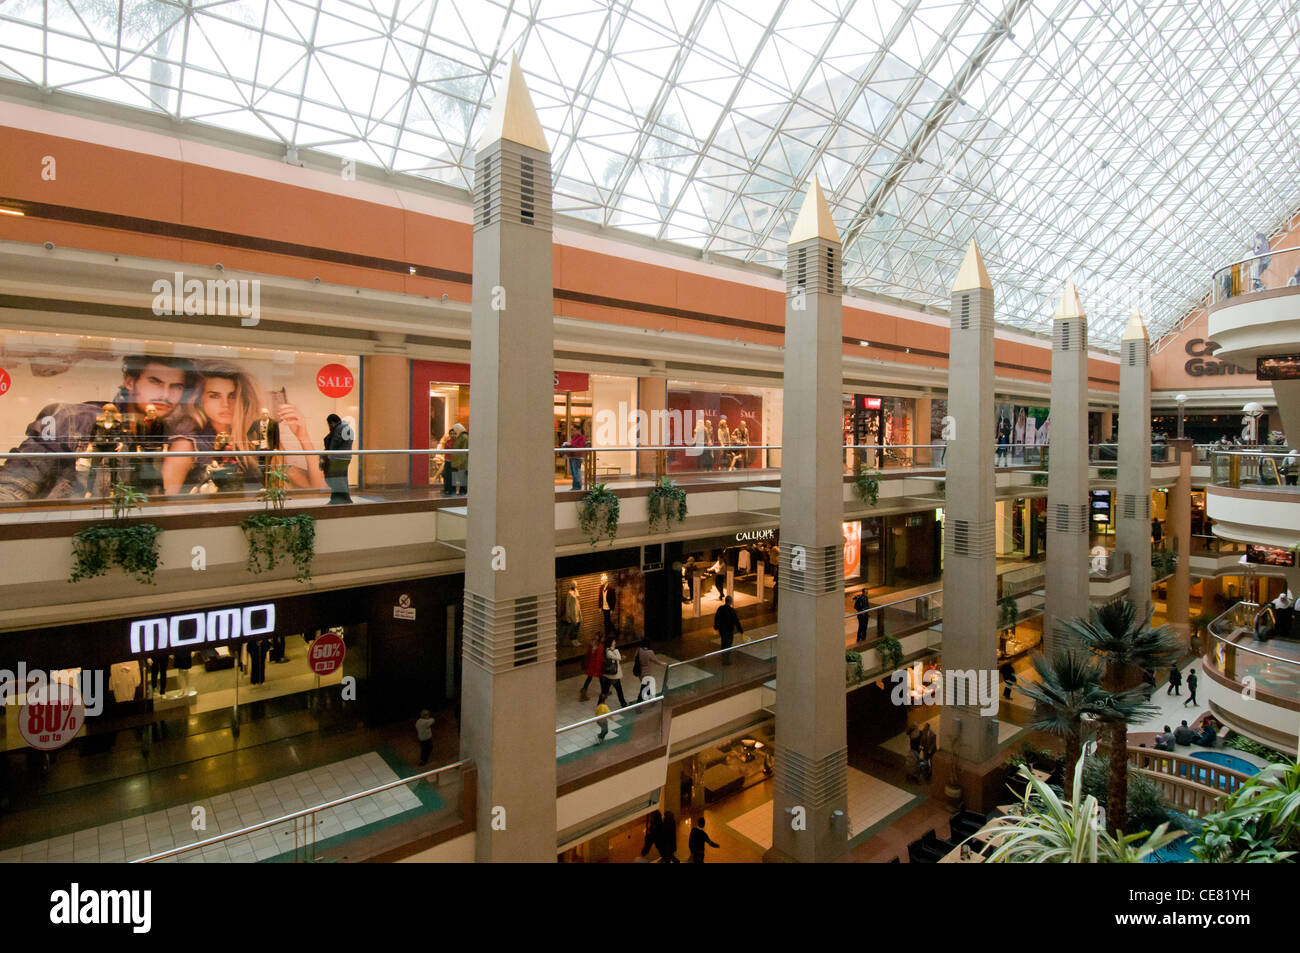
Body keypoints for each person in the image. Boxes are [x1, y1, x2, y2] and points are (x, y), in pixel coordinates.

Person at [0, 354, 196, 501]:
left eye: (176, 387)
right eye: (155, 382)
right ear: (129, 381)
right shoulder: (73, 419)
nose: (165, 395)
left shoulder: (170, 435)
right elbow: (13, 486)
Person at [164, 362, 326, 495]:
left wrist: (303, 436)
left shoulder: (256, 439)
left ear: (243, 399)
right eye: (214, 395)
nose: (225, 404)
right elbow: (167, 500)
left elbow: (320, 489)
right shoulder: (188, 444)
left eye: (233, 395)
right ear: (201, 399)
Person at [322, 413, 354, 504]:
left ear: (332, 422)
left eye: (329, 424)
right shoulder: (347, 428)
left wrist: (329, 453)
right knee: (341, 478)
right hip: (345, 457)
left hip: (338, 458)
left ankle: (341, 499)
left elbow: (335, 443)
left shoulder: (340, 429)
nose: (330, 426)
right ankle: (341, 499)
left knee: (337, 479)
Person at [714, 595, 743, 665]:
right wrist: (740, 630)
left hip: (722, 629)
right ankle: (726, 659)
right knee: (728, 643)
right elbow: (736, 621)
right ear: (730, 602)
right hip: (729, 630)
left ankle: (724, 657)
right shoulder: (732, 611)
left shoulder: (720, 608)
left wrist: (716, 626)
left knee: (723, 642)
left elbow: (716, 617)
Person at [600, 636, 628, 708]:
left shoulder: (610, 651)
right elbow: (618, 658)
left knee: (606, 691)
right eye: (614, 641)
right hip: (612, 675)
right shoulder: (609, 651)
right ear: (611, 643)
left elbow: (616, 659)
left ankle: (600, 704)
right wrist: (616, 650)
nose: (615, 642)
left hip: (610, 675)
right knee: (618, 690)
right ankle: (623, 703)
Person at [579, 634, 604, 702]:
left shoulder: (592, 644)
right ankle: (604, 692)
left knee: (590, 678)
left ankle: (584, 691)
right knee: (600, 678)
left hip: (591, 664)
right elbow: (598, 657)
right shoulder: (598, 646)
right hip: (595, 665)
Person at [561, 425, 586, 490]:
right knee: (573, 473)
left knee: (576, 472)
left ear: (579, 430)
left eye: (574, 430)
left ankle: (577, 487)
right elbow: (573, 445)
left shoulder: (582, 437)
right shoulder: (574, 437)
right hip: (572, 456)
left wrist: (570, 444)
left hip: (577, 457)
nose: (573, 432)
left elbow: (580, 448)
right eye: (573, 430)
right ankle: (575, 486)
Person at [448, 422, 468, 494]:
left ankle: (462, 491)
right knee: (458, 477)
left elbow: (464, 450)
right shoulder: (459, 437)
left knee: (461, 477)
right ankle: (457, 491)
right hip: (458, 461)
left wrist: (461, 462)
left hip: (461, 462)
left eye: (455, 429)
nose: (455, 431)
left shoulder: (464, 437)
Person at [561, 581, 583, 647]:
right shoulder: (569, 593)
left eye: (576, 585)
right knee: (573, 627)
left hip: (577, 611)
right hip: (573, 612)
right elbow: (567, 605)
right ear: (572, 585)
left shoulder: (576, 591)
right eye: (574, 585)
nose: (576, 586)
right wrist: (568, 615)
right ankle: (573, 640)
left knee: (577, 627)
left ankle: (576, 640)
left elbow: (578, 601)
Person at [438, 430, 455, 495]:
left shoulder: (456, 442)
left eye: (454, 434)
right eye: (451, 434)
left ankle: (449, 490)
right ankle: (446, 488)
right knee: (445, 474)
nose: (452, 435)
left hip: (452, 461)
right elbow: (445, 450)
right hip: (447, 460)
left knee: (450, 476)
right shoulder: (448, 442)